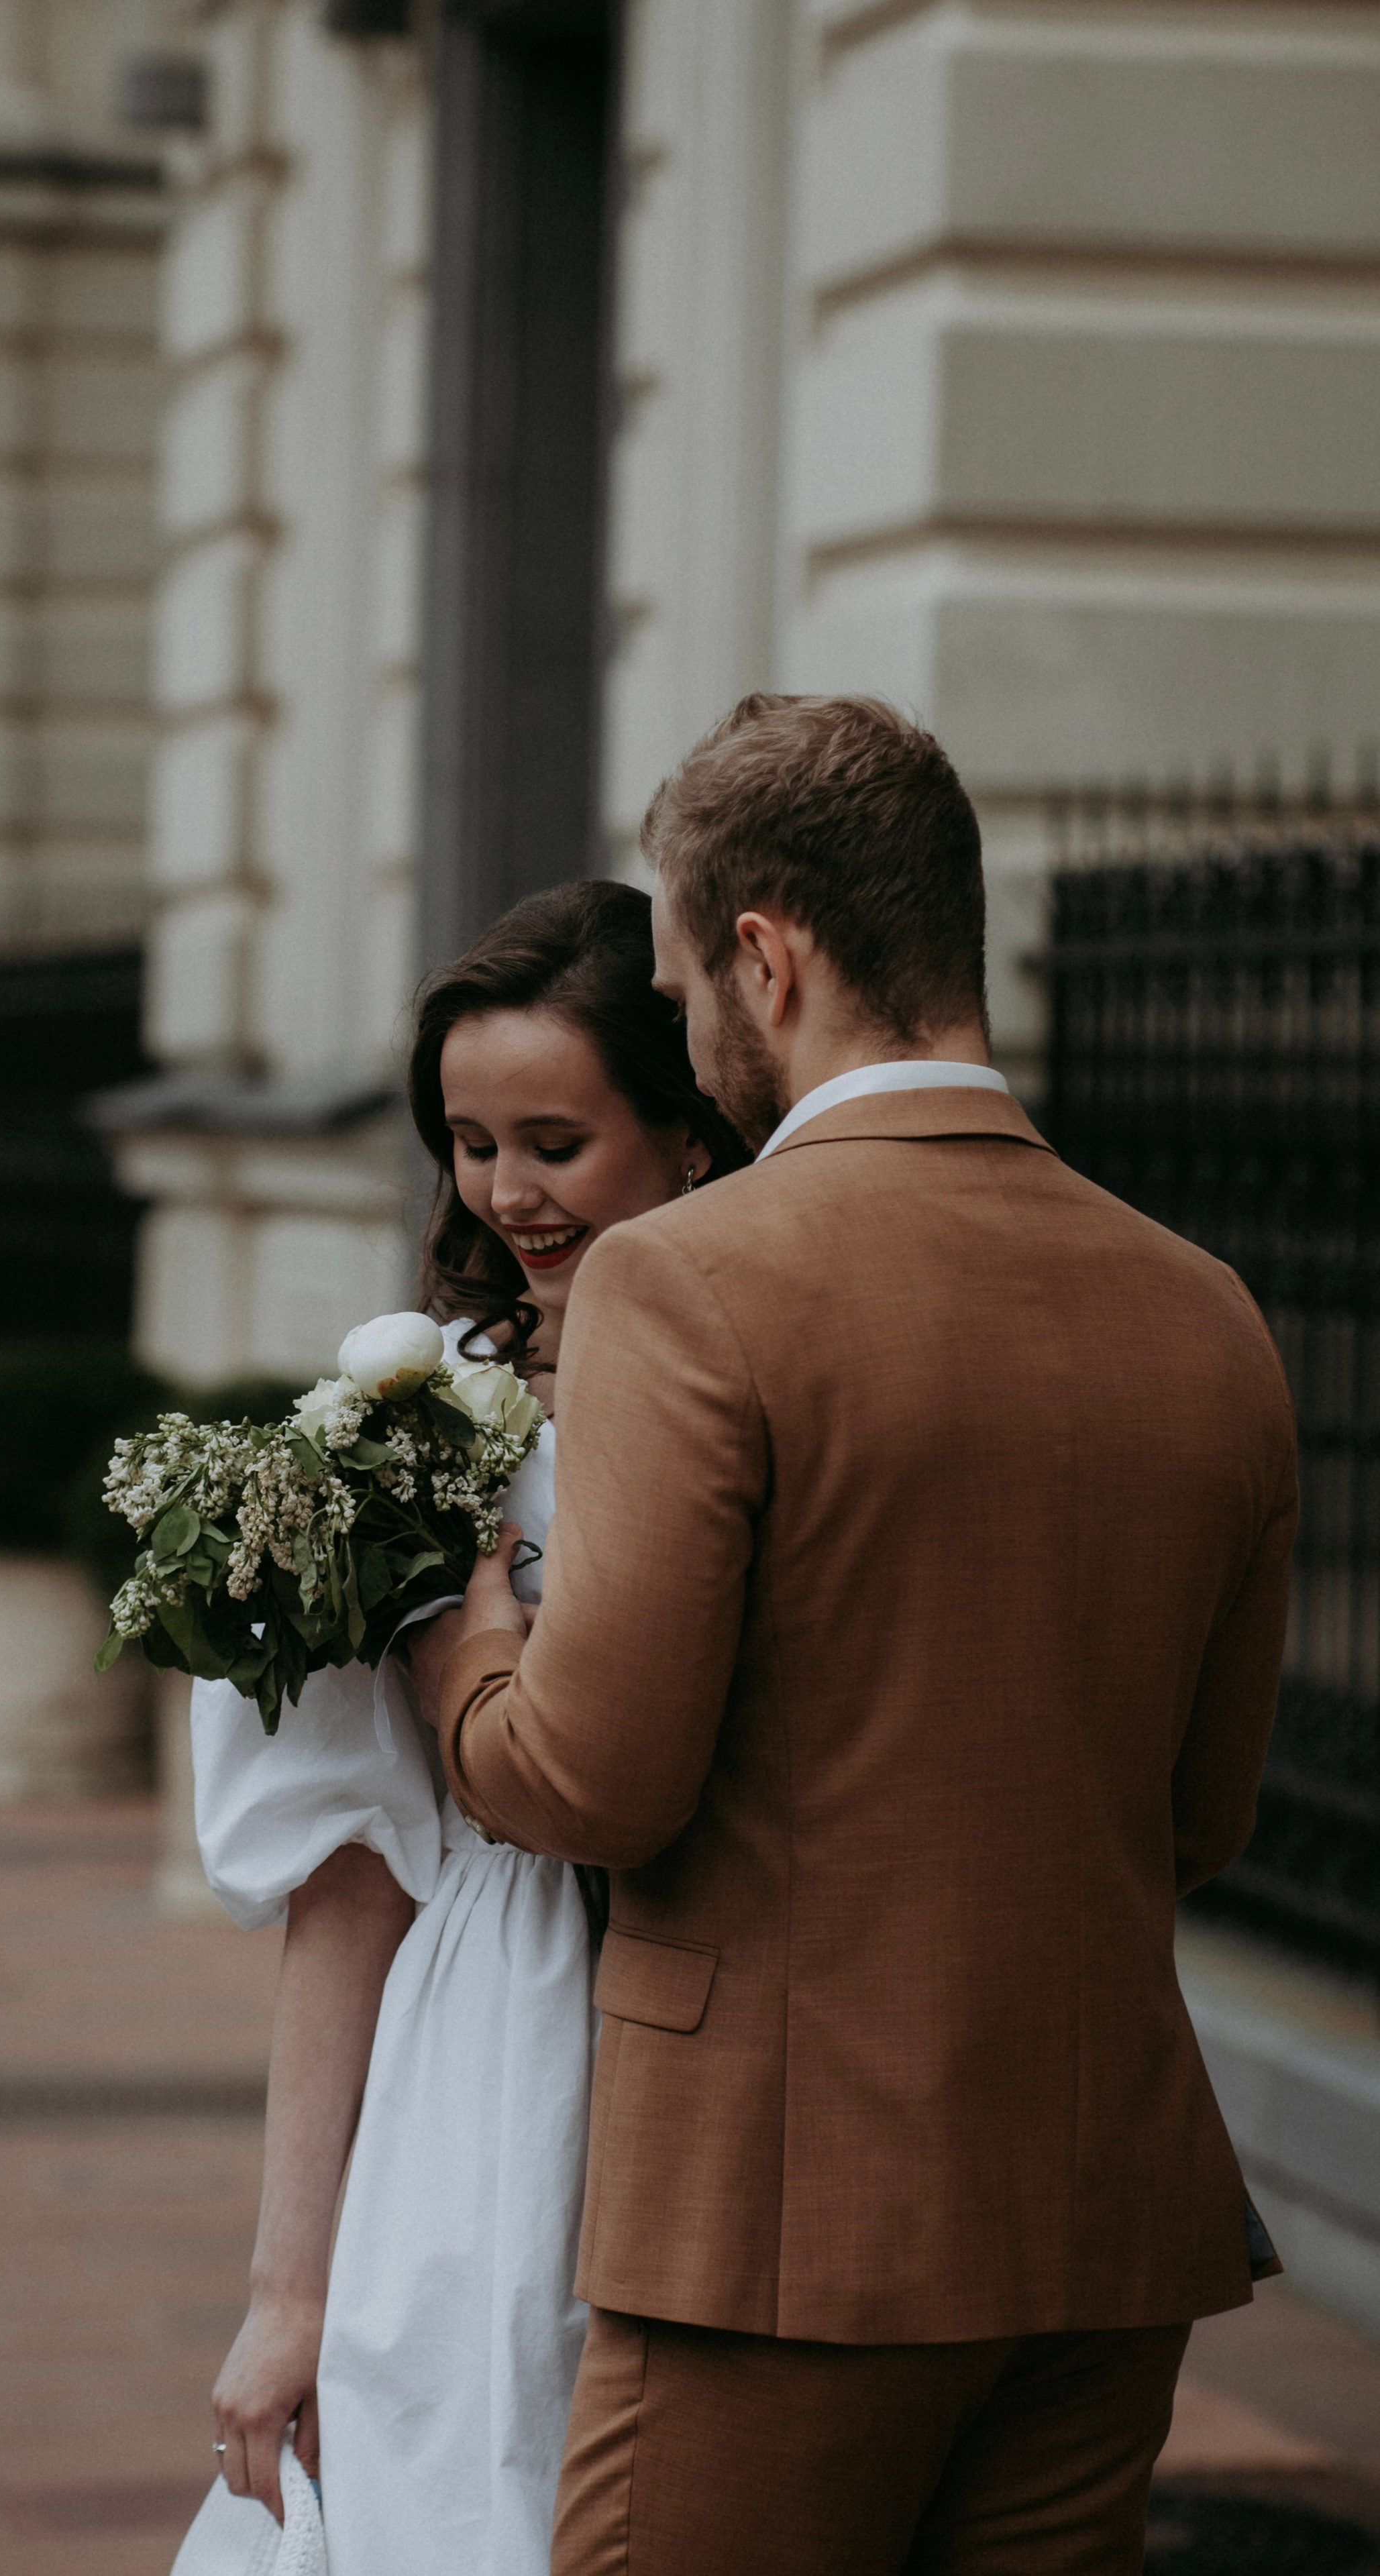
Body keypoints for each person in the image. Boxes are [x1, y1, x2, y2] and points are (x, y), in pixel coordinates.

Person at [409, 695, 1297, 2576]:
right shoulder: (1210, 1312)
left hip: (780, 2227)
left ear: (765, 955)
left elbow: (594, 1777)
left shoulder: (690, 1279)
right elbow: (1206, 1815)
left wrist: (458, 1654)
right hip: (1102, 2223)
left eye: (675, 986)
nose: (690, 1043)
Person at [169, 881, 746, 2576]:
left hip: (735, 2019)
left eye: (553, 1140)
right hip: (492, 2055)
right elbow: (348, 1892)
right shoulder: (414, 1423)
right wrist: (288, 2294)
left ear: (691, 1133)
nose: (504, 1191)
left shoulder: (774, 1393)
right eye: (470, 1141)